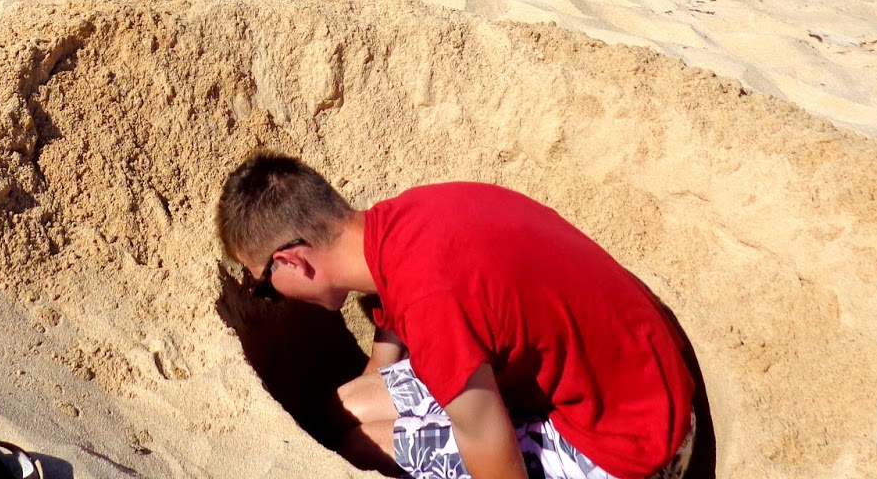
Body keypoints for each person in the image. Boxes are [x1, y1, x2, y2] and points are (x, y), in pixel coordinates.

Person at [217, 155, 697, 479]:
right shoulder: (405, 218)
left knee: (361, 446)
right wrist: (376, 373)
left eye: (266, 286)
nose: (274, 297)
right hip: (628, 382)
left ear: (293, 262)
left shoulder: (431, 303)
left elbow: (486, 442)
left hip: (630, 449)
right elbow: (400, 312)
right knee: (345, 407)